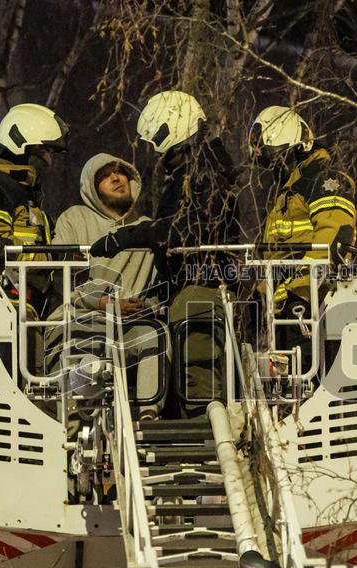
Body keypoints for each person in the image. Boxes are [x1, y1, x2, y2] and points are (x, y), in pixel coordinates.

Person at [88, 91, 239, 417]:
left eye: (156, 138)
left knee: (198, 381)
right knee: (187, 376)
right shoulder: (200, 170)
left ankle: (208, 441)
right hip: (190, 287)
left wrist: (125, 237)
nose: (156, 151)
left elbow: (182, 229)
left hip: (200, 286)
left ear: (171, 130)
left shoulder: (202, 175)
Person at [48, 153, 168, 420]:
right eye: (104, 176)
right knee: (82, 364)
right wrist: (101, 302)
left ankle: (148, 416)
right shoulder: (74, 219)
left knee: (155, 334)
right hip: (83, 319)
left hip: (131, 323)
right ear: (91, 187)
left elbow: (161, 284)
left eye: (120, 173)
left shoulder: (147, 228)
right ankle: (79, 417)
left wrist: (146, 307)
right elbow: (61, 274)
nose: (116, 178)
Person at [247, 105, 357, 371]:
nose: (274, 167)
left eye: (276, 158)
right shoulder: (289, 189)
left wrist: (296, 293)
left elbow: (333, 241)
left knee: (305, 381)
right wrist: (262, 295)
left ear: (292, 146)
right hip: (286, 307)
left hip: (309, 307)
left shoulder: (323, 179)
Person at [0, 103, 68, 276]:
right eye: (44, 150)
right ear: (20, 144)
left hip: (24, 299)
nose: (49, 160)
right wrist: (51, 258)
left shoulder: (23, 193)